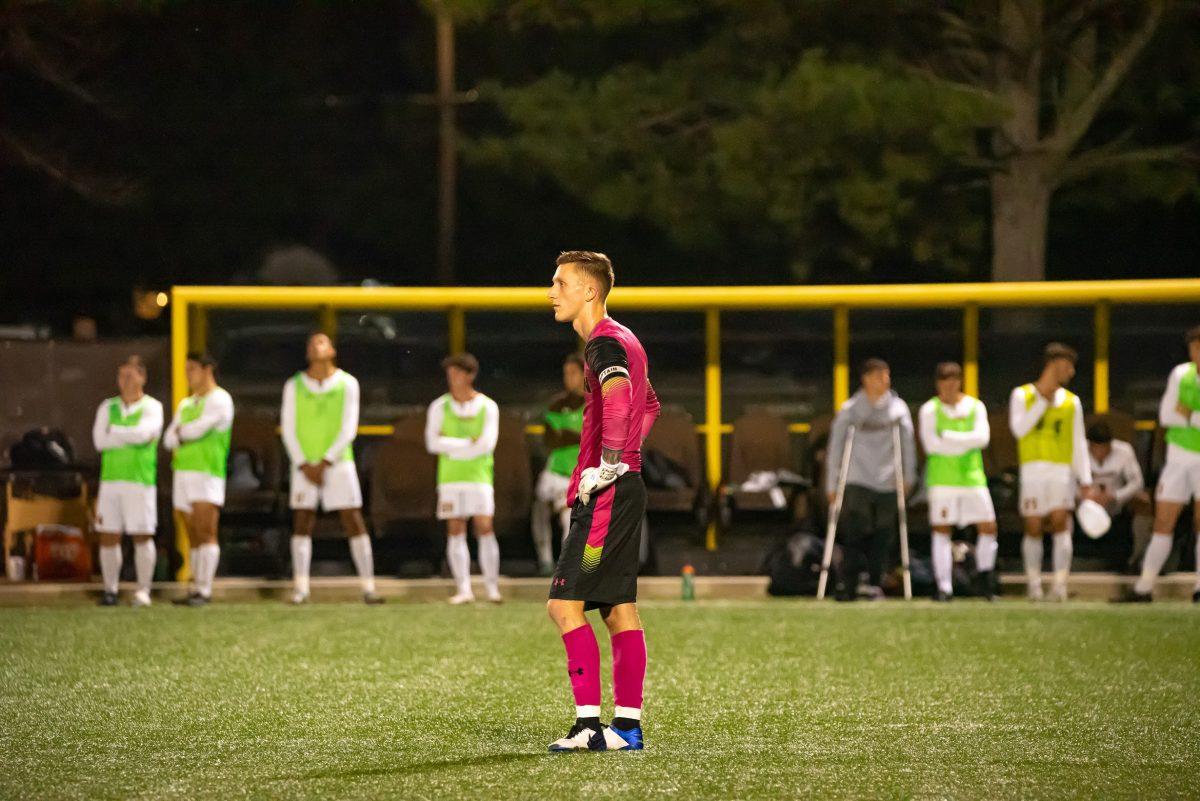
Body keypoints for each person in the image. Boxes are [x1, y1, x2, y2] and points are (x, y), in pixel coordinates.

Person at [545, 250, 660, 753]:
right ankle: (627, 730)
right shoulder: (624, 337)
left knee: (564, 605)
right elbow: (649, 403)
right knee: (618, 610)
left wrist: (611, 461)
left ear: (589, 291)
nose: (552, 291)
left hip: (609, 493)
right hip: (621, 484)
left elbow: (619, 393)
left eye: (561, 282)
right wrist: (627, 456)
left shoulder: (603, 343)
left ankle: (590, 727)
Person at [281, 332, 383, 605]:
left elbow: (349, 427)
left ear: (332, 350)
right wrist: (303, 463)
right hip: (304, 465)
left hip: (338, 463)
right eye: (312, 343)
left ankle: (368, 587)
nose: (317, 346)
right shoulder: (294, 385)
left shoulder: (348, 383)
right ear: (307, 353)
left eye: (322, 342)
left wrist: (326, 460)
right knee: (302, 520)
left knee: (352, 517)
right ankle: (301, 588)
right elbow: (288, 427)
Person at [825, 358, 916, 601]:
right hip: (856, 476)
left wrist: (908, 476)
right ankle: (850, 583)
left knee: (884, 533)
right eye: (879, 376)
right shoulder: (851, 409)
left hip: (888, 478)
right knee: (856, 530)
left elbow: (907, 444)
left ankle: (876, 581)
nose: (885, 380)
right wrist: (832, 484)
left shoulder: (898, 409)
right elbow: (836, 447)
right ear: (866, 379)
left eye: (887, 375)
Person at [1009, 342, 1093, 602]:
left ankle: (1059, 585)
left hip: (1061, 471)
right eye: (1067, 366)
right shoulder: (1022, 395)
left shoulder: (1072, 402)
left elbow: (1079, 441)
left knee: (1060, 523)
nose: (1071, 372)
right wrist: (1042, 402)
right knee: (1033, 525)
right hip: (1033, 470)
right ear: (1053, 365)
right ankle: (1033, 584)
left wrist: (1085, 478)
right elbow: (1019, 430)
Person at [1122, 326, 1200, 603]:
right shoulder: (1181, 374)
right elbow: (1167, 415)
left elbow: (1180, 413)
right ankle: (1144, 587)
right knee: (1163, 521)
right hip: (1178, 457)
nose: (1196, 354)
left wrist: (1188, 413)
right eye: (1193, 348)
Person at [424, 352, 502, 604]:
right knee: (455, 528)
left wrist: (451, 445)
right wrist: (467, 443)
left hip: (479, 477)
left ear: (470, 376)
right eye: (450, 374)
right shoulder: (439, 406)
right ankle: (464, 589)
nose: (453, 379)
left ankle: (491, 588)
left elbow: (487, 445)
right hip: (450, 478)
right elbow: (432, 443)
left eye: (458, 374)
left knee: (484, 526)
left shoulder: (488, 406)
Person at [918, 362, 998, 601]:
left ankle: (985, 579)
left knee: (988, 527)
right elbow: (931, 445)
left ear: (960, 381)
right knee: (942, 530)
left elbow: (982, 439)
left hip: (972, 478)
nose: (950, 385)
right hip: (943, 480)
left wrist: (950, 438)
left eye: (954, 379)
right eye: (945, 380)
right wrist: (966, 442)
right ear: (938, 383)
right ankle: (944, 586)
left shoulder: (975, 406)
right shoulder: (930, 409)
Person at [92, 356, 164, 607]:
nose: (124, 381)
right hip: (111, 481)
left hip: (139, 480)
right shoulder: (107, 407)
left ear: (142, 377)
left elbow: (145, 435)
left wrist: (116, 433)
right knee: (108, 534)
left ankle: (143, 591)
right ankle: (110, 590)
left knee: (142, 535)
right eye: (121, 375)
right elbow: (100, 442)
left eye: (130, 375)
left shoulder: (152, 407)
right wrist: (129, 436)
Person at [164, 353, 234, 606]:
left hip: (207, 471)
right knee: (191, 532)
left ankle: (205, 589)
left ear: (207, 369)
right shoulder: (186, 404)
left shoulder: (221, 399)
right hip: (183, 471)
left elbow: (197, 429)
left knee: (206, 530)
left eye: (192, 368)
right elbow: (169, 438)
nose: (188, 374)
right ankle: (195, 586)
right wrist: (183, 433)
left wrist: (183, 432)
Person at [532, 353, 586, 575]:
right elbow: (551, 440)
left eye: (573, 373)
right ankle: (545, 560)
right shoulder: (556, 405)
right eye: (566, 374)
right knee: (539, 506)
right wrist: (578, 435)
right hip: (554, 471)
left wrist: (569, 435)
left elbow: (594, 438)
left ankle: (567, 567)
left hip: (582, 473)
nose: (569, 378)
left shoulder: (597, 405)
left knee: (569, 514)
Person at [1084, 422, 1150, 571]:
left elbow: (1137, 482)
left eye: (1105, 448)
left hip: (1117, 502)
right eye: (1096, 449)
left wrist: (1115, 495)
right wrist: (1085, 497)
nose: (1100, 453)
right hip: (1085, 504)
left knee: (1143, 500)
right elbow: (1069, 481)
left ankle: (1139, 559)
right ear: (1090, 445)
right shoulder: (1078, 451)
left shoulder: (1124, 450)